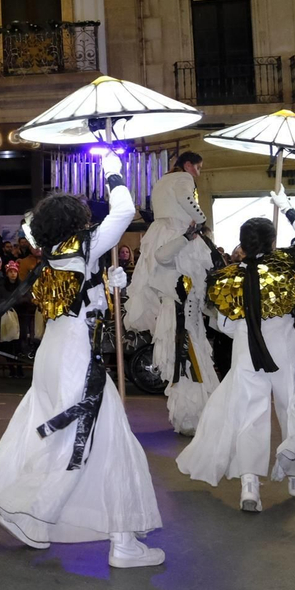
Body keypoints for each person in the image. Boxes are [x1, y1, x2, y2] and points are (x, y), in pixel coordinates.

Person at [0, 151, 163, 568]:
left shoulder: (51, 257)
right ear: (76, 223)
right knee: (103, 439)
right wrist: (111, 163)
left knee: (55, 433)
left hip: (54, 353)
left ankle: (33, 520)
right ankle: (113, 539)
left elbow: (78, 300)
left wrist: (109, 284)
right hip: (75, 357)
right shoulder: (83, 247)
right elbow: (124, 208)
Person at [178, 194, 295, 514]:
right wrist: (287, 206)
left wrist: (244, 332)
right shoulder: (287, 262)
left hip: (246, 352)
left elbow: (222, 324)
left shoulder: (227, 278)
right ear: (272, 243)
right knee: (293, 405)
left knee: (250, 415)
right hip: (284, 349)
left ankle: (249, 486)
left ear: (242, 246)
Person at [124, 151, 219, 436]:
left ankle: (193, 414)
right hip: (180, 312)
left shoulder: (162, 187)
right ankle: (191, 416)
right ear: (189, 165)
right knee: (185, 358)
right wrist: (197, 225)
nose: (198, 175)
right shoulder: (182, 180)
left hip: (181, 309)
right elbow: (189, 205)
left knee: (188, 359)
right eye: (198, 168)